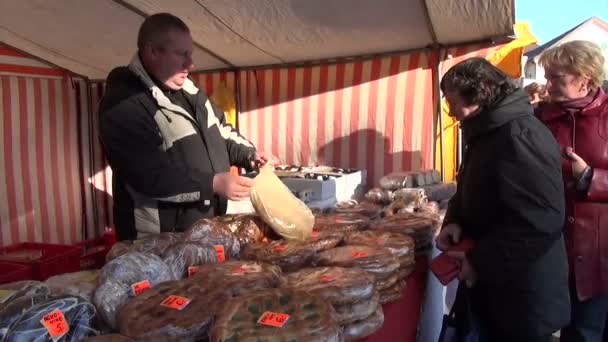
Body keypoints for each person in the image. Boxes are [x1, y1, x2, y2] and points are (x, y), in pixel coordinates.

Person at [99, 13, 277, 240]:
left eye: (190, 54)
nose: (190, 63)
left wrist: (251, 156)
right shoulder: (123, 104)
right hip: (156, 242)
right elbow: (148, 174)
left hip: (204, 231)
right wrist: (213, 183)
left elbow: (221, 130)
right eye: (181, 54)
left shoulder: (189, 91)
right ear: (153, 52)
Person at [435, 57, 570, 341]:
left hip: (522, 296)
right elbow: (472, 185)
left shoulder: (519, 136)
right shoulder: (487, 131)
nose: (450, 112)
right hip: (498, 288)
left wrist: (479, 261)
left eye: (453, 103)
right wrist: (455, 219)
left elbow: (539, 222)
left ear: (480, 96)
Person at [536, 40, 608, 342]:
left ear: (585, 78)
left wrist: (591, 179)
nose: (547, 84)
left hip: (598, 252)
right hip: (548, 248)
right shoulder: (538, 117)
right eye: (547, 76)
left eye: (556, 77)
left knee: (585, 332)